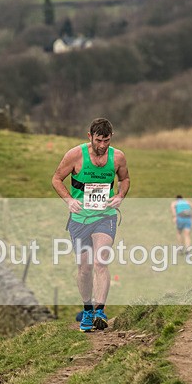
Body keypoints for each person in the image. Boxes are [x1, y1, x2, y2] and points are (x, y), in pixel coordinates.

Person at [51, 117, 130, 332]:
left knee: (100, 262)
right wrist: (69, 200)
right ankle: (87, 310)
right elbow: (56, 179)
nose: (102, 145)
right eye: (98, 140)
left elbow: (125, 180)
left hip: (105, 216)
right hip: (79, 220)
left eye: (106, 140)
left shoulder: (118, 157)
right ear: (90, 137)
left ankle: (100, 311)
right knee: (84, 269)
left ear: (111, 138)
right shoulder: (75, 155)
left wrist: (120, 196)